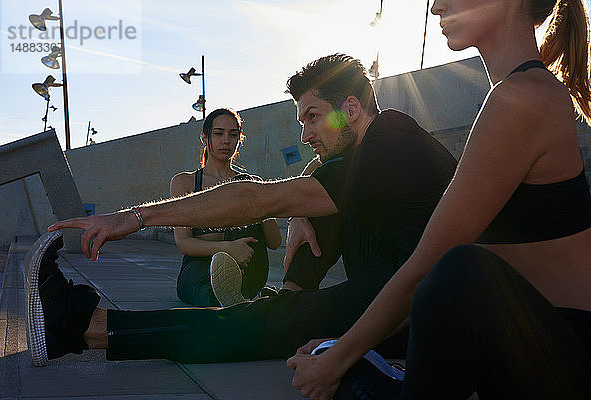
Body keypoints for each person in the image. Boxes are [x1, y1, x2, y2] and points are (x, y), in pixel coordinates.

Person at [30, 54, 456, 367]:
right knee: (315, 216)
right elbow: (318, 179)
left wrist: (134, 217)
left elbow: (255, 199)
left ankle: (82, 327)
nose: (305, 134)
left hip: (415, 307)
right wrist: (306, 208)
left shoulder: (393, 140)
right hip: (398, 284)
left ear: (350, 109)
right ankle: (290, 297)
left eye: (312, 117)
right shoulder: (376, 145)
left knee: (259, 324)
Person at [285, 1, 591, 399]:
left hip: (566, 363)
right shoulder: (517, 93)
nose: (435, 6)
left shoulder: (524, 97)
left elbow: (430, 265)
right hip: (531, 345)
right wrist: (342, 345)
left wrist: (335, 359)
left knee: (458, 267)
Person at [170, 108, 281, 307]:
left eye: (233, 134)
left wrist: (261, 203)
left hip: (246, 266)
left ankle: (238, 297)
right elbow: (183, 242)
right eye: (219, 133)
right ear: (205, 138)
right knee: (206, 289)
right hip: (200, 267)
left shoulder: (251, 183)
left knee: (247, 205)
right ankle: (235, 300)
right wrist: (227, 249)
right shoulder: (185, 182)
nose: (226, 140)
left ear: (239, 140)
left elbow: (274, 241)